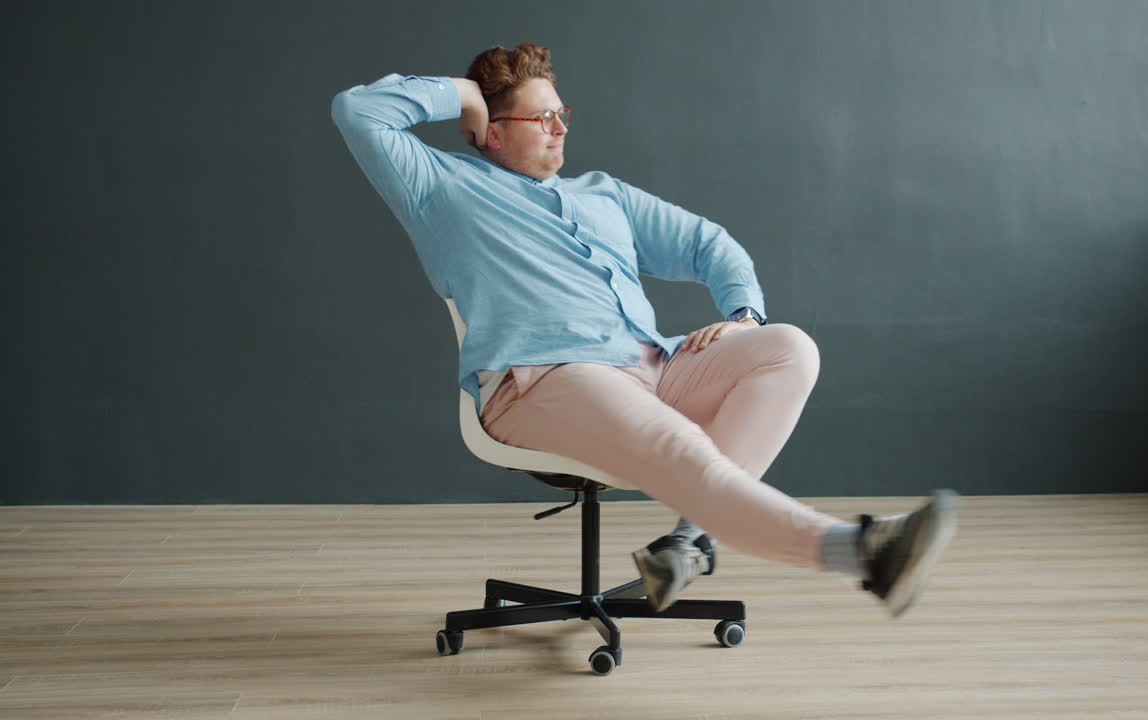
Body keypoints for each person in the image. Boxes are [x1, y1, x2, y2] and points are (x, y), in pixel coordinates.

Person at [331, 43, 959, 618]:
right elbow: (358, 111)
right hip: (544, 376)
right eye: (540, 118)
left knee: (788, 348)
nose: (560, 127)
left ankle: (686, 545)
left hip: (653, 367)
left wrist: (742, 317)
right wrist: (463, 95)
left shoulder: (603, 195)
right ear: (491, 132)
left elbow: (710, 244)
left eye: (562, 113)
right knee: (683, 448)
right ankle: (864, 552)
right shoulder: (441, 188)